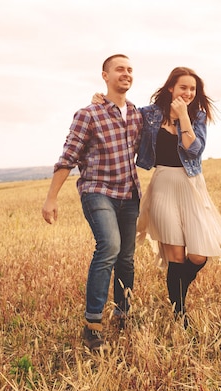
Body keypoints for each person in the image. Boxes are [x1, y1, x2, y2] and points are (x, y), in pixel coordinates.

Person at [94, 66, 221, 327]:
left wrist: (184, 116)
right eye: (183, 87)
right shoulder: (150, 114)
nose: (188, 92)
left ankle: (178, 292)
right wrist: (102, 100)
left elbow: (194, 149)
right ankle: (180, 313)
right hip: (163, 184)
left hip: (191, 185)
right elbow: (123, 114)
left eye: (192, 89)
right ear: (171, 87)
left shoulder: (196, 115)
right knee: (175, 254)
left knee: (198, 256)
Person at [42, 54, 142, 353]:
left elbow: (168, 112)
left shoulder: (137, 114)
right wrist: (51, 198)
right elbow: (68, 156)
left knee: (125, 258)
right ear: (105, 75)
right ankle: (92, 324)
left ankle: (124, 313)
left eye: (130, 70)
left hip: (130, 193)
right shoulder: (88, 114)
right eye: (119, 69)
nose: (126, 74)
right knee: (109, 247)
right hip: (97, 191)